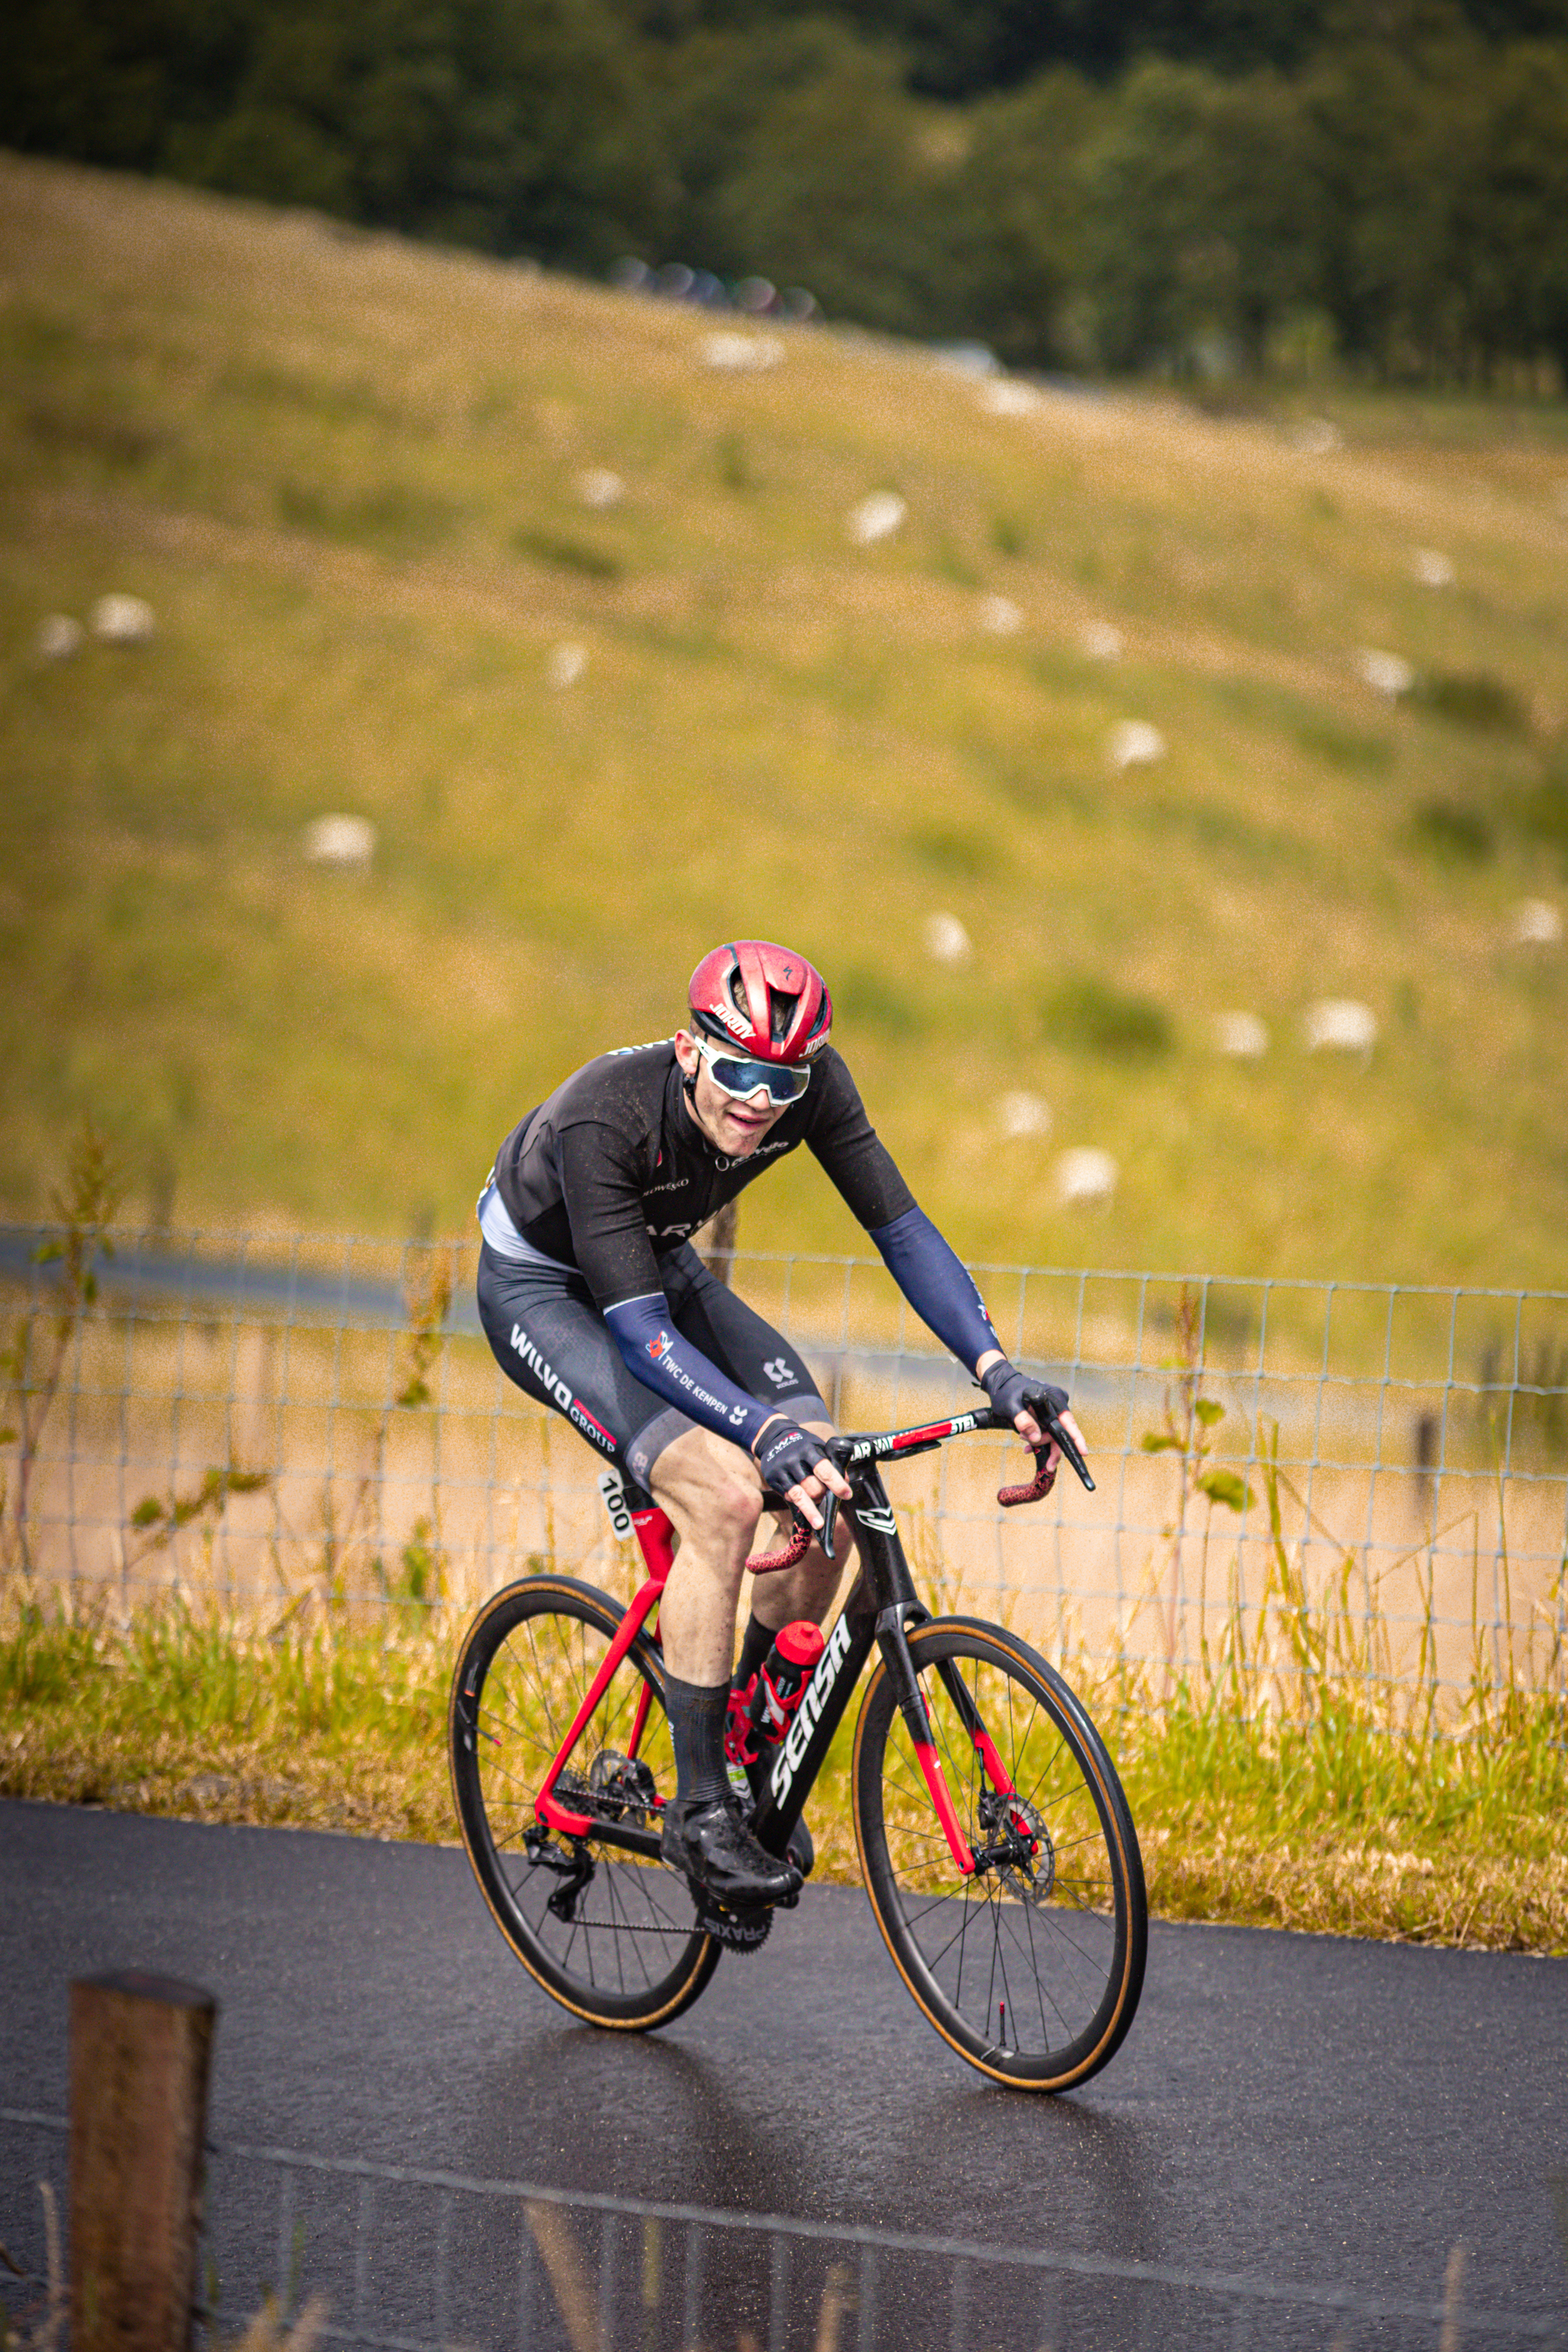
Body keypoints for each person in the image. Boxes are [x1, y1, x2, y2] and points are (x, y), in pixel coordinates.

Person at [474, 941, 1082, 1919]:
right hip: (547, 1292)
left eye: (783, 1079)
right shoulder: (605, 1116)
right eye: (738, 1072)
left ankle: (744, 1740)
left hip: (652, 1262)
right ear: (687, 1051)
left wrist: (996, 1372)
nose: (760, 1101)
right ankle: (700, 1812)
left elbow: (901, 1228)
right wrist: (754, 1437)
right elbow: (634, 1333)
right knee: (722, 1493)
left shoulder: (804, 1089)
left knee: (825, 1476)